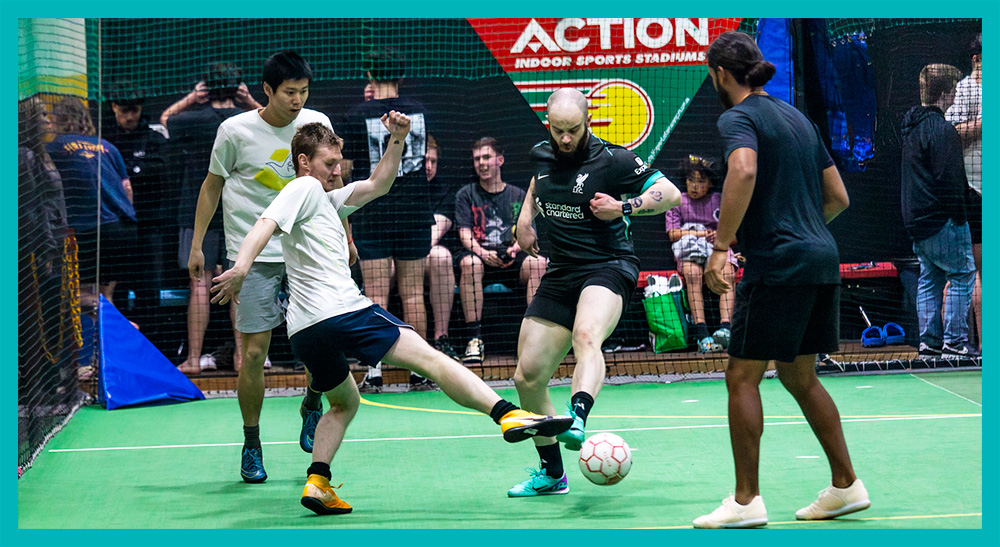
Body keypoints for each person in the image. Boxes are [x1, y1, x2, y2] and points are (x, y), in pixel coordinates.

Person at [209, 115, 573, 515]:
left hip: (305, 331)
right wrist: (241, 268)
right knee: (433, 359)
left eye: (338, 163)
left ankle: (318, 482)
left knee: (344, 402)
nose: (336, 171)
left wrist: (397, 139)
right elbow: (265, 223)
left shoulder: (326, 200)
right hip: (342, 311)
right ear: (304, 162)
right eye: (329, 164)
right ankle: (508, 415)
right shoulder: (303, 187)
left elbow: (378, 184)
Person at [694, 31, 867, 528]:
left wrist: (721, 248)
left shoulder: (737, 117)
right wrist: (802, 230)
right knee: (798, 375)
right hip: (820, 258)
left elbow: (743, 169)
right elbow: (838, 197)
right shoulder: (798, 118)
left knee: (741, 377)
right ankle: (846, 486)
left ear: (720, 74)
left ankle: (745, 501)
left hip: (779, 264)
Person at [507, 88, 681, 497]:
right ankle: (552, 474)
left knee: (586, 335)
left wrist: (624, 207)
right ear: (548, 124)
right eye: (558, 130)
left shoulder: (613, 159)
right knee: (527, 376)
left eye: (573, 129)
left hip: (609, 265)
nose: (566, 138)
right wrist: (524, 219)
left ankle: (578, 415)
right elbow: (537, 182)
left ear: (588, 121)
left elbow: (670, 193)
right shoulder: (542, 153)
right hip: (561, 271)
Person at [187, 50, 333, 483]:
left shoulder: (316, 124)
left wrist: (345, 238)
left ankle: (312, 402)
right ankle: (252, 443)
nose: (297, 100)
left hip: (307, 252)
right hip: (251, 258)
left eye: (303, 91)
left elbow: (333, 183)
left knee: (322, 344)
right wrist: (197, 245)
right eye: (289, 92)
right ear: (267, 90)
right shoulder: (234, 131)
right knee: (253, 353)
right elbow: (212, 186)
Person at [340, 47, 434, 390]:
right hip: (414, 212)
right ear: (401, 76)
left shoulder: (355, 115)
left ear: (369, 75)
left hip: (374, 214)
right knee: (413, 294)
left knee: (375, 295)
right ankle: (421, 372)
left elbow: (345, 170)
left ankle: (374, 373)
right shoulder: (420, 111)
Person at [168, 62, 249, 374]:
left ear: (206, 88)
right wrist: (249, 100)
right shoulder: (247, 119)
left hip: (198, 210)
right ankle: (242, 358)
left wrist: (191, 98)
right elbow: (278, 121)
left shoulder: (192, 119)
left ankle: (193, 359)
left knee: (199, 283)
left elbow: (165, 119)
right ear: (237, 88)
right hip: (237, 211)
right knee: (237, 283)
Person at [901, 64, 977, 358]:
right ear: (945, 93)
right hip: (942, 220)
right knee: (962, 273)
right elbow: (950, 178)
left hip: (917, 222)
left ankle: (929, 344)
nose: (956, 96)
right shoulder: (943, 130)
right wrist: (959, 214)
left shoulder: (911, 128)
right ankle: (954, 342)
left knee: (929, 277)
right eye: (954, 91)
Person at [455, 137, 546, 364]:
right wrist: (482, 253)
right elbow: (464, 233)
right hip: (480, 258)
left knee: (538, 262)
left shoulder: (518, 195)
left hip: (512, 259)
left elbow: (529, 232)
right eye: (477, 159)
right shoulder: (466, 194)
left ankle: (535, 341)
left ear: (500, 160)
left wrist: (515, 249)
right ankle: (474, 339)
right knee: (469, 264)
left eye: (486, 157)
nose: (482, 163)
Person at [47, 96, 137, 311]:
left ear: (59, 119)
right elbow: (127, 188)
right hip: (121, 229)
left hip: (86, 230)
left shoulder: (55, 147)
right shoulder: (107, 146)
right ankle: (112, 327)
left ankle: (112, 325)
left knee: (79, 294)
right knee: (105, 295)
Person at [104, 89, 170, 329]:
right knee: (115, 290)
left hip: (148, 225)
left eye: (135, 110)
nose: (130, 117)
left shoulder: (154, 139)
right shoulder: (104, 141)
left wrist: (127, 171)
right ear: (114, 106)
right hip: (115, 228)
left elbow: (161, 171)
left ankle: (150, 342)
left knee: (149, 290)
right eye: (124, 111)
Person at [664, 154, 738, 353]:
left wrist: (719, 237)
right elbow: (672, 234)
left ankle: (726, 329)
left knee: (728, 273)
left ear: (710, 183)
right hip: (690, 248)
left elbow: (733, 238)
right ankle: (702, 333)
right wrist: (699, 233)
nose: (695, 186)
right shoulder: (677, 200)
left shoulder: (719, 200)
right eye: (691, 180)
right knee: (692, 274)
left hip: (717, 248)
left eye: (701, 181)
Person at [945, 33, 982, 349]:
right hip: (974, 191)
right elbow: (950, 133)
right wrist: (984, 123)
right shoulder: (967, 89)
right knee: (978, 272)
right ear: (977, 59)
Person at [425, 135, 462, 361]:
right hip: (393, 256)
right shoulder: (396, 186)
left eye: (433, 161)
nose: (429, 166)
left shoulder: (444, 189)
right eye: (424, 161)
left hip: (422, 255)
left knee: (441, 256)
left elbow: (434, 234)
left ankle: (441, 338)